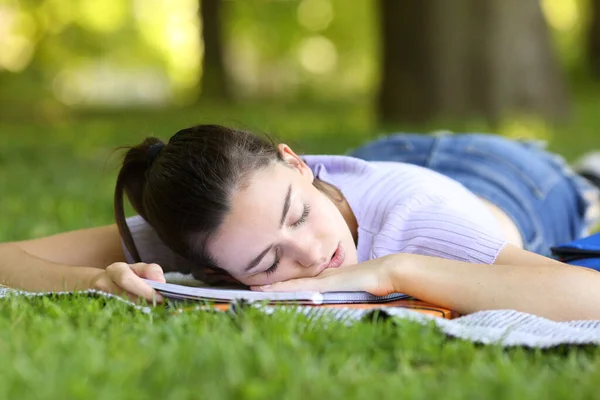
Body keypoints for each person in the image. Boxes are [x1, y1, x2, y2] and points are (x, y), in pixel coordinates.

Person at [2, 124, 600, 321]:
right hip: (383, 157)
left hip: (510, 174)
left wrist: (393, 269)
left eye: (299, 214)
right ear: (214, 269)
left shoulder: (428, 221)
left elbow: (588, 297)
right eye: (267, 263)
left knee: (577, 192)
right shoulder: (222, 226)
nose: (310, 255)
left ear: (295, 160)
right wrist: (92, 281)